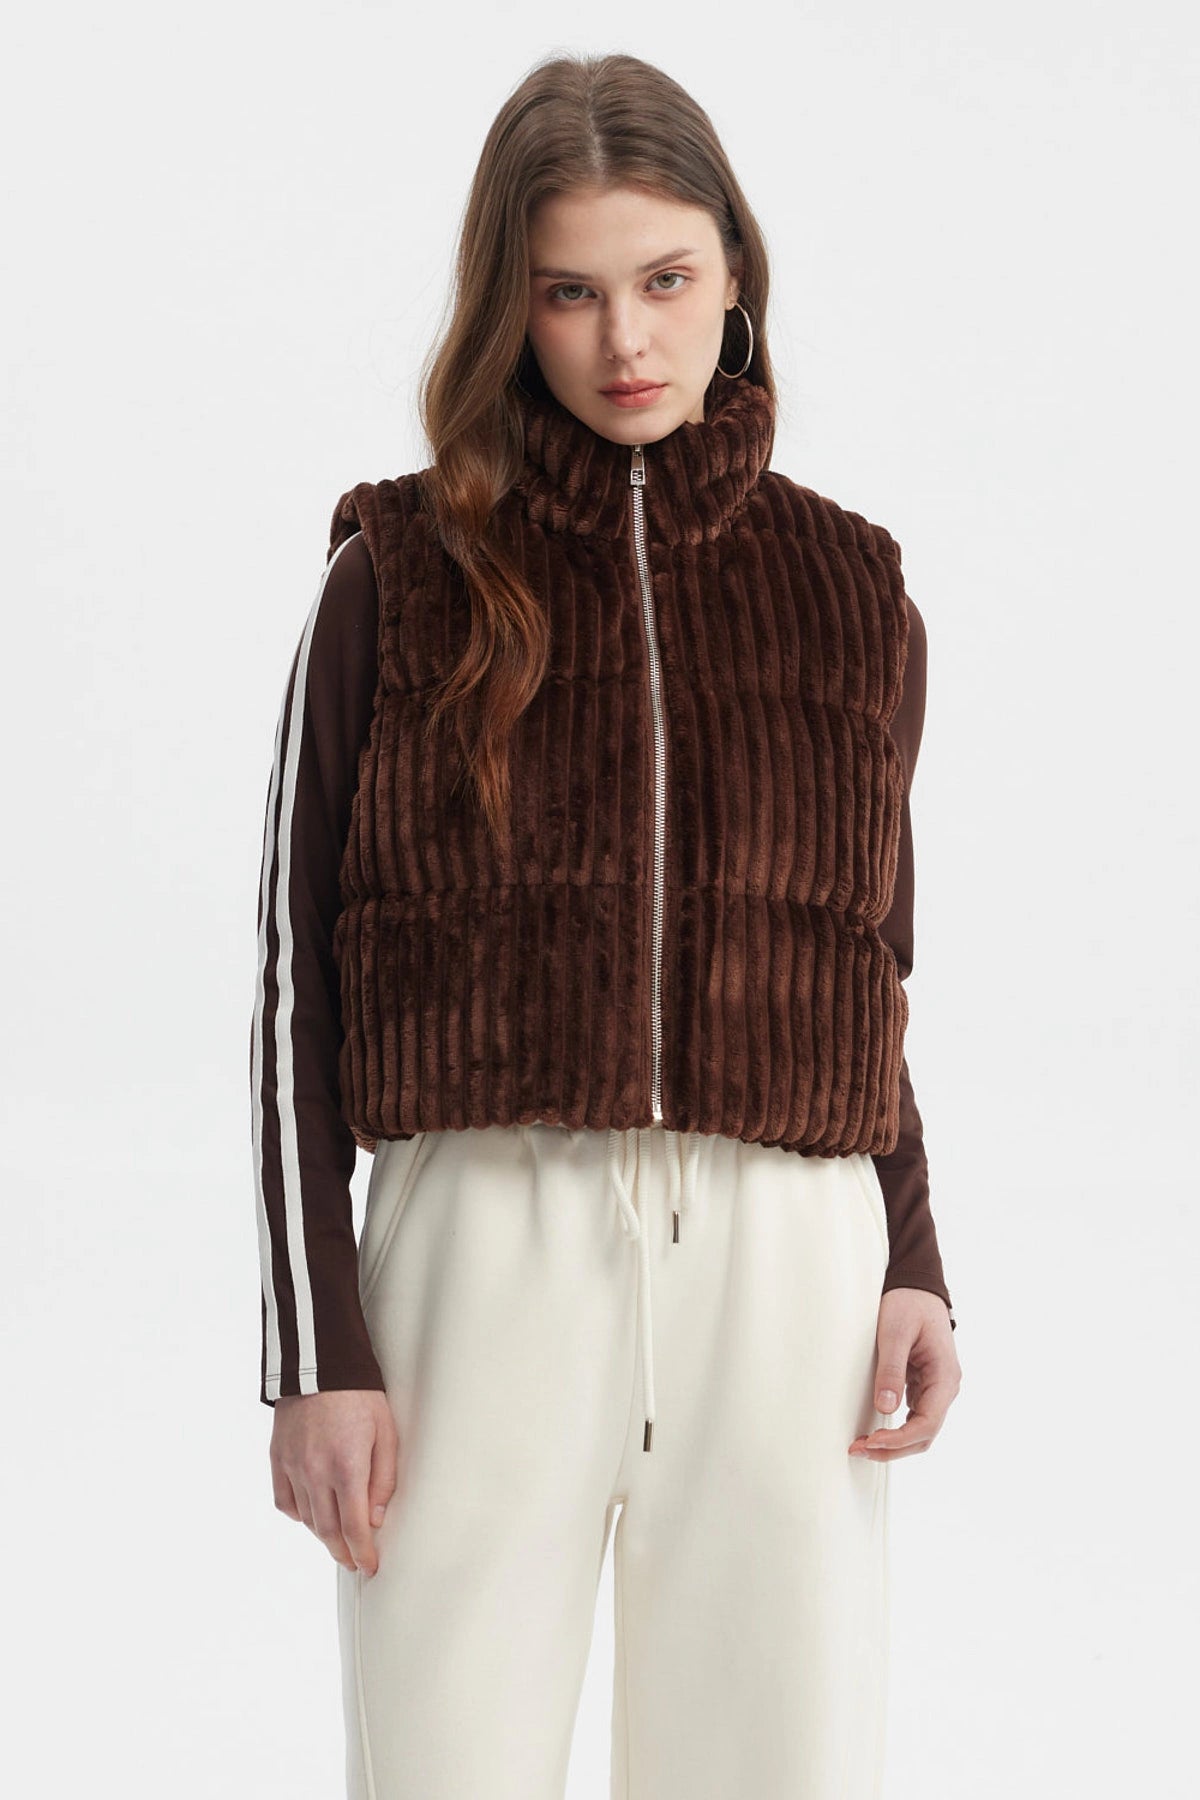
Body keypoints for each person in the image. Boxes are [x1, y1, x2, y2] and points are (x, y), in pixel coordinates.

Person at [250, 49, 962, 1800]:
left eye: (666, 280)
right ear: (511, 306)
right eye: (569, 292)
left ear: (736, 277)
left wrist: (913, 1258)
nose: (626, 341)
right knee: (446, 1766)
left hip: (787, 1268)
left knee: (779, 1768)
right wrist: (317, 1352)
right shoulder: (396, 572)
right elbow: (290, 993)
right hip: (484, 1251)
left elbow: (865, 966)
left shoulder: (851, 586)